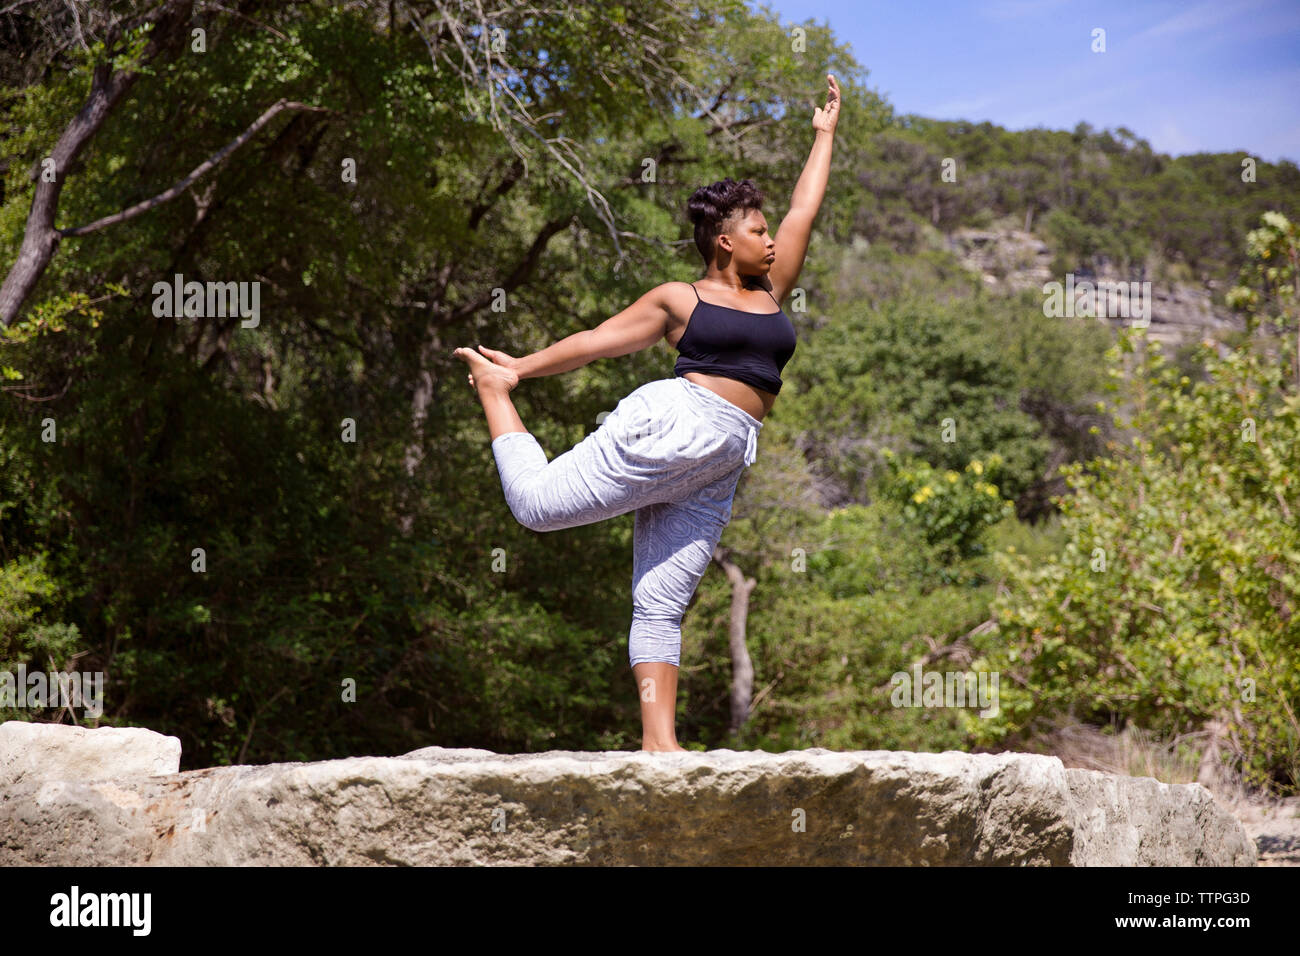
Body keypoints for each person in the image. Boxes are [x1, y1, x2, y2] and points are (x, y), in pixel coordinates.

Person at [454, 74, 840, 752]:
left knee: (661, 603)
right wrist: (518, 367)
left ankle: (659, 747)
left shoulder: (774, 287)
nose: (770, 238)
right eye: (756, 230)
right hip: (672, 423)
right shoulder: (679, 300)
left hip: (723, 458)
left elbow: (803, 213)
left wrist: (824, 136)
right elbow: (596, 343)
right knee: (537, 508)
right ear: (725, 242)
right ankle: (494, 392)